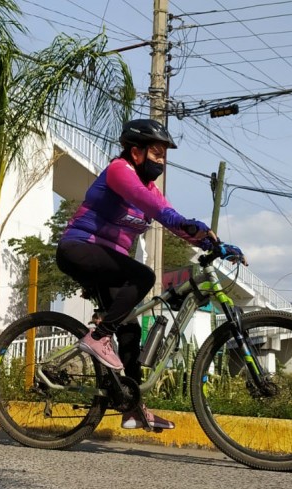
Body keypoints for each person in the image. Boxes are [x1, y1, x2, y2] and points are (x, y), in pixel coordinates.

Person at [56, 118, 245, 432]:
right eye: (156, 154)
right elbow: (161, 212)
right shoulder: (120, 171)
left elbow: (173, 221)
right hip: (79, 248)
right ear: (135, 152)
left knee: (130, 332)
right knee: (143, 276)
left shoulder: (149, 188)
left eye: (163, 156)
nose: (161, 161)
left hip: (108, 261)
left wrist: (215, 244)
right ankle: (98, 338)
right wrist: (190, 224)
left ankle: (132, 409)